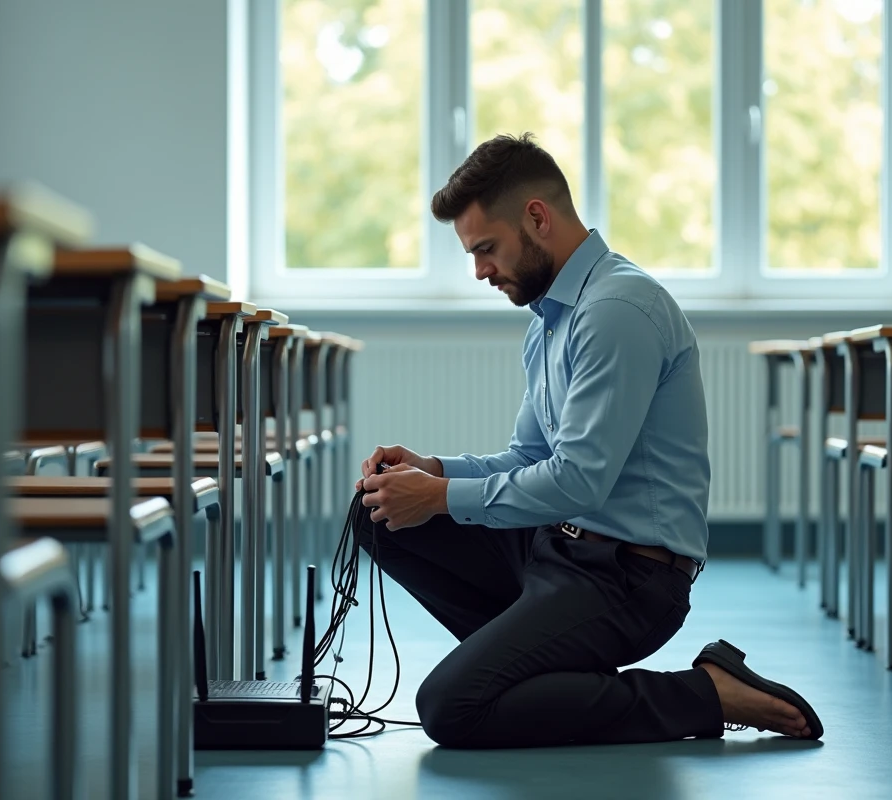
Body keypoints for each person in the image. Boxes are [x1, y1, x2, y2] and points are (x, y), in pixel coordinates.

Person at [352, 133, 822, 749]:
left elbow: (577, 480)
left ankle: (706, 692)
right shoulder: (552, 319)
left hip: (628, 577)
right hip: (558, 548)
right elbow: (529, 458)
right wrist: (434, 471)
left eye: (486, 249)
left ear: (537, 218)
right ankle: (533, 671)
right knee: (378, 515)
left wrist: (439, 497)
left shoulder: (617, 309)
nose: (480, 271)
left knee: (451, 709)